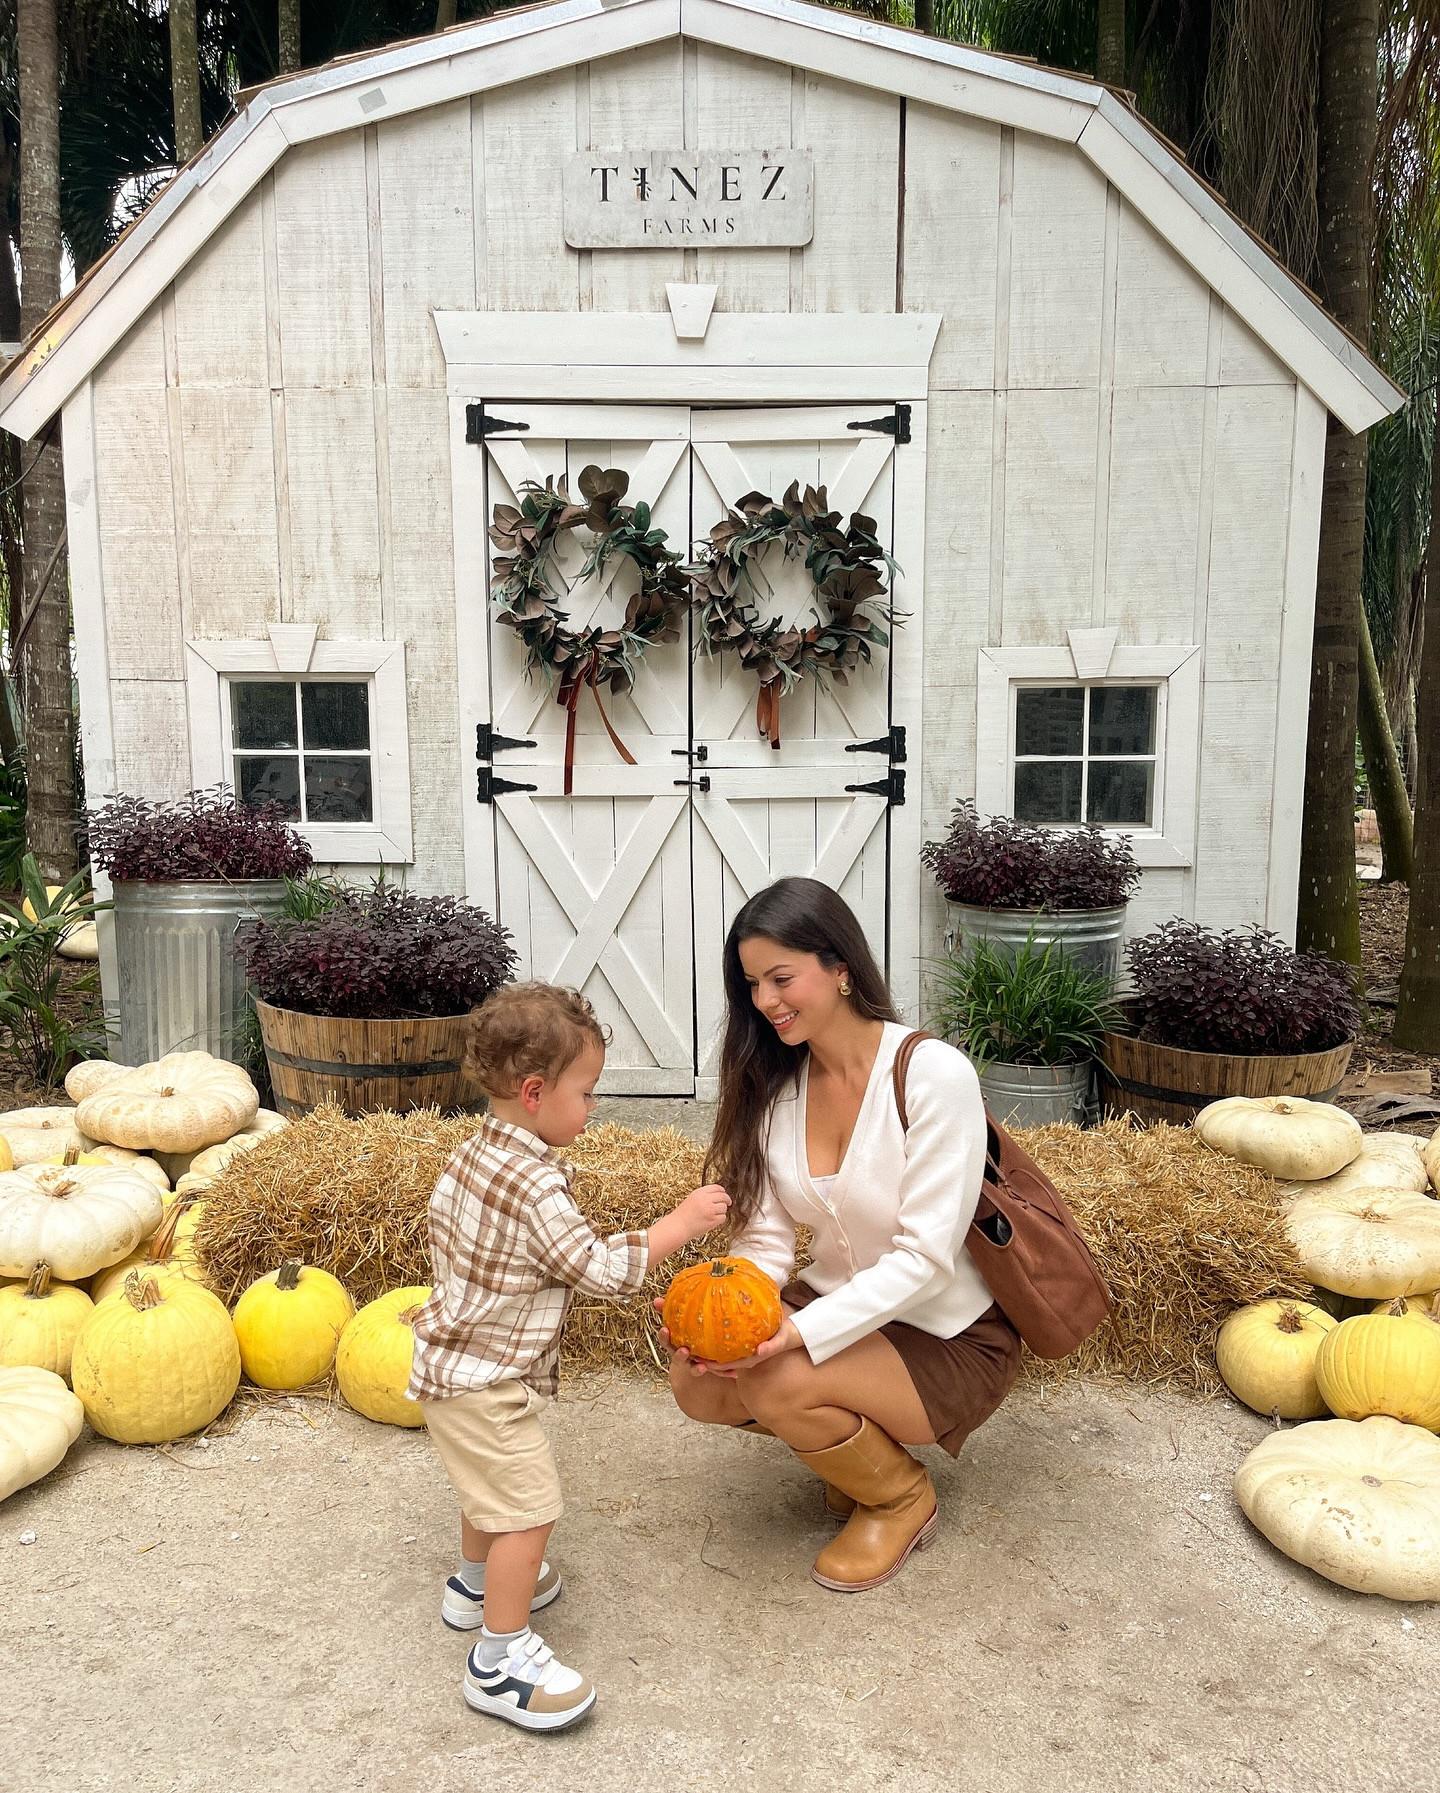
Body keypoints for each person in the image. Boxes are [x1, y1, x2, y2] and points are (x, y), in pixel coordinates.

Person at [663, 877, 1019, 1592]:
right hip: (840, 1311)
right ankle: (855, 1456)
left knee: (777, 1374)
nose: (765, 1001)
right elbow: (763, 1242)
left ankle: (899, 1496)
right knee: (697, 1383)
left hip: (944, 1332)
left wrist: (791, 1336)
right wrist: (722, 1320)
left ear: (841, 967)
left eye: (781, 977)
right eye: (753, 984)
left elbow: (924, 1260)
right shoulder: (777, 1090)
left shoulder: (931, 1074)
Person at [408, 981, 729, 1732]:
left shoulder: (473, 1153)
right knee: (529, 1507)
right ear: (533, 1092)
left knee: (489, 1490)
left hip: (453, 1365)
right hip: (486, 1382)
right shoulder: (535, 1183)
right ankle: (499, 1659)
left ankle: (473, 1585)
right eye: (586, 1093)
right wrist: (679, 1223)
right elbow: (596, 1268)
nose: (592, 1108)